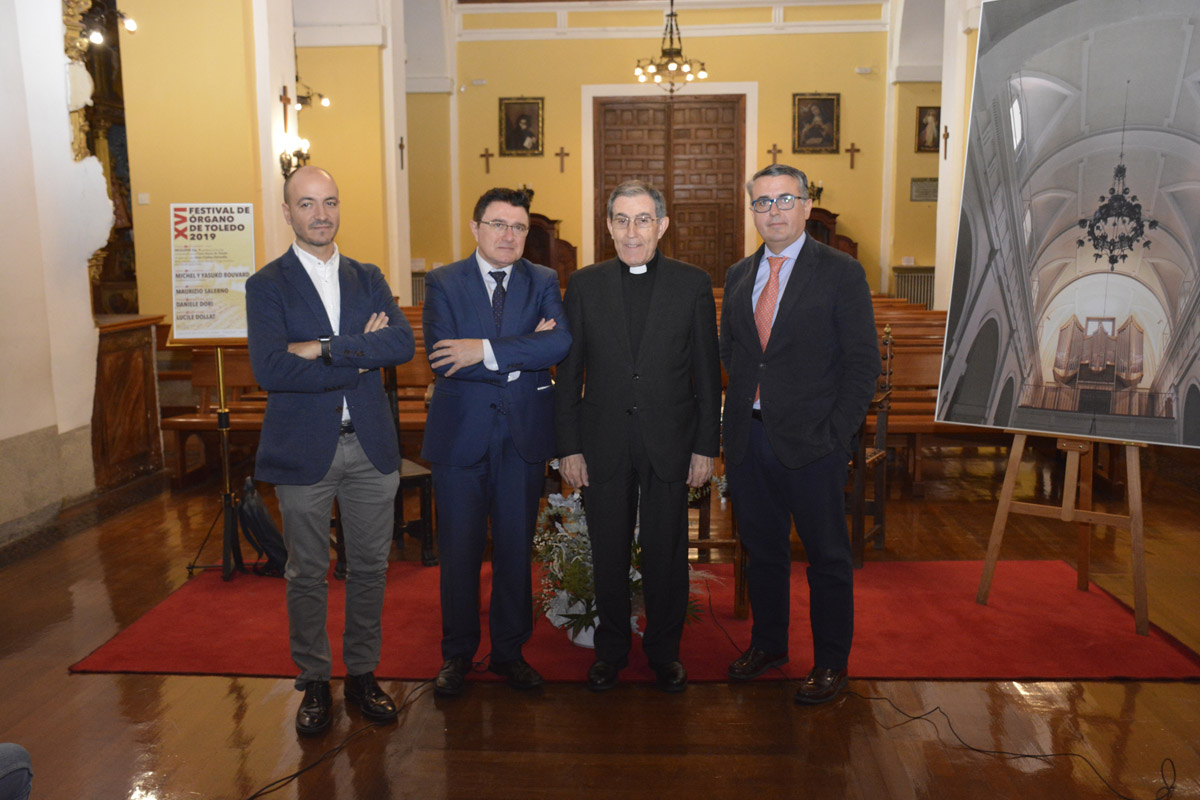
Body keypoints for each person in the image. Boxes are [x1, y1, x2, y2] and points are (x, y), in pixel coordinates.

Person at [246, 166, 415, 735]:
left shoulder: (368, 277)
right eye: (308, 204)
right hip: (303, 451)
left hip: (370, 448)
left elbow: (399, 344)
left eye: (331, 202)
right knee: (306, 571)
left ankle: (363, 675)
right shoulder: (266, 284)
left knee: (370, 568)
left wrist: (319, 349)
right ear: (288, 212)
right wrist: (355, 355)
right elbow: (271, 368)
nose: (321, 214)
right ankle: (314, 680)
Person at [720, 163, 879, 704]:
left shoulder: (840, 272)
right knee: (762, 552)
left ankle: (832, 663)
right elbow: (734, 354)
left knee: (827, 557)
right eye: (762, 203)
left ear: (807, 207)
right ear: (753, 212)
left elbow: (863, 364)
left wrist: (837, 433)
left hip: (814, 443)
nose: (773, 212)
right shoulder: (741, 274)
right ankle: (769, 645)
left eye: (784, 200)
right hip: (749, 439)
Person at [556, 180, 721, 693]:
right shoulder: (584, 285)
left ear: (662, 226)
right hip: (602, 438)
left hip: (670, 439)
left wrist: (705, 446)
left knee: (667, 550)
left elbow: (707, 373)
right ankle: (610, 651)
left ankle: (664, 652)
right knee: (607, 548)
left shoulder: (692, 284)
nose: (632, 231)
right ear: (608, 226)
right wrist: (568, 446)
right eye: (622, 220)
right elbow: (569, 372)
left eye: (643, 219)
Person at [421, 187, 571, 697]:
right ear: (475, 227)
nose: (509, 236)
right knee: (458, 552)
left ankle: (510, 651)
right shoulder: (442, 281)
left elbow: (559, 342)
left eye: (519, 228)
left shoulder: (543, 279)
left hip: (523, 436)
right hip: (460, 434)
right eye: (499, 225)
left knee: (514, 550)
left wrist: (480, 350)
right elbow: (443, 356)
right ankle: (457, 654)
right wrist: (521, 354)